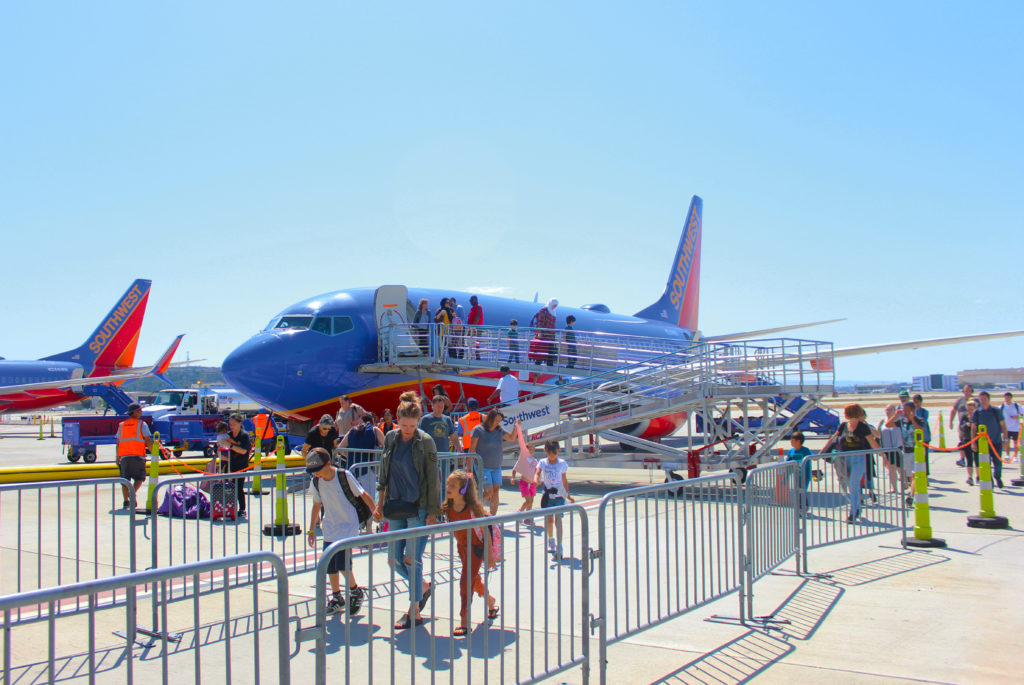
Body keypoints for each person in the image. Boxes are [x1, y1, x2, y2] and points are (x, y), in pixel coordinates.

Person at [374, 391, 441, 629]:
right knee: (393, 559)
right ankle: (422, 587)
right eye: (404, 425)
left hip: (418, 508)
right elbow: (383, 473)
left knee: (413, 559)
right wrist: (379, 504)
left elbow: (434, 478)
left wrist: (433, 511)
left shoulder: (426, 441)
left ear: (418, 421)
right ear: (398, 420)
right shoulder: (391, 438)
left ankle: (415, 610)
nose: (408, 429)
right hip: (394, 505)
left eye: (412, 425)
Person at [305, 447, 376, 615]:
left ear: (328, 464)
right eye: (313, 471)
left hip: (347, 525)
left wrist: (375, 510)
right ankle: (337, 597)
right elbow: (316, 504)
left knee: (343, 564)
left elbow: (362, 494)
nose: (316, 474)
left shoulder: (343, 476)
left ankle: (355, 591)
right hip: (330, 526)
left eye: (318, 470)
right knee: (329, 565)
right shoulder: (316, 482)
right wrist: (311, 529)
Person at [441, 470, 499, 636]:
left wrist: (489, 555)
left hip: (476, 548)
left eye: (453, 485)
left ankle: (464, 621)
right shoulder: (448, 506)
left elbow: (485, 532)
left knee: (465, 581)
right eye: (447, 484)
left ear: (463, 489)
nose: (448, 488)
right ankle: (490, 601)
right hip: (462, 548)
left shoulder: (474, 509)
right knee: (474, 581)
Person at [824, 403, 880, 522]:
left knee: (854, 484)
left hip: (858, 458)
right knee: (845, 485)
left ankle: (853, 512)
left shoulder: (863, 427)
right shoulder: (843, 425)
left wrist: (882, 453)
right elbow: (833, 438)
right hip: (844, 458)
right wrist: (821, 452)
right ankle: (856, 506)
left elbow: (872, 441)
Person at [470, 409, 517, 516]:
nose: (497, 423)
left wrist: (516, 428)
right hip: (483, 467)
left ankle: (493, 517)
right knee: (488, 492)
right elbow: (472, 449)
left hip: (496, 466)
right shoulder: (478, 430)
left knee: (496, 490)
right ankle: (476, 512)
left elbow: (511, 438)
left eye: (499, 421)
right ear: (490, 419)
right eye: (496, 420)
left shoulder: (499, 430)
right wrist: (469, 467)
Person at [536, 439, 573, 559]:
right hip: (547, 495)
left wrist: (568, 494)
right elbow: (537, 472)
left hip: (559, 495)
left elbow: (564, 479)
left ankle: (560, 544)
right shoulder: (542, 462)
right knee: (549, 519)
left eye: (555, 455)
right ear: (546, 452)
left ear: (558, 452)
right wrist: (536, 479)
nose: (552, 458)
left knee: (558, 520)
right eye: (550, 456)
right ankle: (550, 540)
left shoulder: (561, 463)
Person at [115, 403, 152, 508]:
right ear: (135, 412)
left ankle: (126, 501)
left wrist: (117, 456)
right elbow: (148, 440)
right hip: (137, 455)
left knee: (125, 480)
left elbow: (118, 442)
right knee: (140, 478)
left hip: (124, 457)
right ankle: (132, 492)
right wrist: (153, 452)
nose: (141, 413)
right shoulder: (141, 424)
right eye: (140, 411)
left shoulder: (122, 425)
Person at [339, 413, 385, 494]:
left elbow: (340, 449)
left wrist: (350, 456)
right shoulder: (375, 430)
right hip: (368, 470)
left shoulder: (352, 431)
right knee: (369, 498)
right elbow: (387, 446)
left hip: (352, 470)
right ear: (372, 422)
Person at [972, 391, 1008, 488]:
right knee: (986, 464)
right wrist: (973, 442)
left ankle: (997, 477)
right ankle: (990, 481)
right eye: (981, 399)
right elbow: (974, 427)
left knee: (997, 463)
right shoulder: (977, 412)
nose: (983, 401)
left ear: (989, 399)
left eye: (984, 399)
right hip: (983, 444)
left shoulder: (996, 411)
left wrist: (1005, 439)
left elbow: (1003, 425)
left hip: (996, 442)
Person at [886, 401, 928, 478]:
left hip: (917, 451)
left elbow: (920, 429)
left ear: (912, 411)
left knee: (915, 473)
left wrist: (912, 419)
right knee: (908, 474)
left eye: (906, 411)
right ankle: (911, 485)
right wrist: (895, 416)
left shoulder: (919, 420)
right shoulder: (902, 421)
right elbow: (888, 425)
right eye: (903, 410)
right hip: (906, 451)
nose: (904, 413)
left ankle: (913, 489)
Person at [512, 419, 539, 522]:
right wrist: (518, 428)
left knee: (530, 502)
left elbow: (537, 472)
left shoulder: (535, 460)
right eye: (529, 449)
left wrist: (538, 481)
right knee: (527, 500)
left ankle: (527, 517)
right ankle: (519, 514)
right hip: (524, 483)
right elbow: (521, 441)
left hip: (532, 484)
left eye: (533, 450)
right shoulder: (524, 454)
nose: (531, 451)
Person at [225, 414, 252, 516]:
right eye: (230, 424)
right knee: (229, 487)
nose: (231, 426)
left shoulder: (244, 435)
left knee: (239, 487)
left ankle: (242, 508)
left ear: (240, 423)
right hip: (230, 465)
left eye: (233, 424)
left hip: (241, 465)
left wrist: (231, 446)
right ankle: (229, 507)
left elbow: (244, 451)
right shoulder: (228, 435)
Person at [878, 405, 906, 492]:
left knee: (899, 468)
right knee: (890, 469)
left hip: (897, 447)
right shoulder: (883, 422)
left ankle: (906, 482)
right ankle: (894, 488)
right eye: (886, 410)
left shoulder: (898, 421)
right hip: (887, 448)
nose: (888, 412)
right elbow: (879, 435)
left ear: (894, 411)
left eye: (890, 410)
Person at [951, 384, 975, 467]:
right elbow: (953, 410)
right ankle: (962, 459)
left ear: (971, 391)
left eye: (969, 390)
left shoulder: (976, 401)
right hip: (963, 425)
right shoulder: (960, 400)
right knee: (962, 442)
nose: (967, 392)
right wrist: (951, 421)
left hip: (974, 425)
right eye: (965, 390)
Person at [530, 299, 558, 366]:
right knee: (541, 353)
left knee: (550, 352)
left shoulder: (553, 312)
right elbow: (540, 323)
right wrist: (539, 335)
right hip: (543, 336)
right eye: (554, 305)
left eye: (556, 306)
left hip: (550, 336)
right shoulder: (544, 310)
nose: (555, 307)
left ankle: (549, 366)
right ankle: (537, 367)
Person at [959, 400, 979, 485]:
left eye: (972, 409)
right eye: (969, 409)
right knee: (969, 459)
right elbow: (961, 426)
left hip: (976, 440)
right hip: (967, 439)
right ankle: (970, 477)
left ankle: (979, 476)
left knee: (977, 459)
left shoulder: (978, 416)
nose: (970, 411)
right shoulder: (964, 416)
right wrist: (966, 425)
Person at [1001, 392, 1022, 459]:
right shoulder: (1002, 406)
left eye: (1008, 398)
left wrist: (1017, 417)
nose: (1007, 399)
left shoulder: (1017, 406)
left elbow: (1022, 415)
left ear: (1011, 398)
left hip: (1015, 428)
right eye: (1005, 398)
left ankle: (1015, 456)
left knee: (1015, 443)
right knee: (1007, 442)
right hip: (1006, 428)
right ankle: (1007, 455)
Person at [467, 295, 484, 361]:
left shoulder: (478, 306)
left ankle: (478, 358)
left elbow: (478, 316)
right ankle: (470, 357)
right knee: (470, 342)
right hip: (472, 328)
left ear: (475, 300)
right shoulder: (473, 308)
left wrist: (473, 326)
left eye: (471, 300)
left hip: (476, 328)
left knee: (476, 343)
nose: (470, 302)